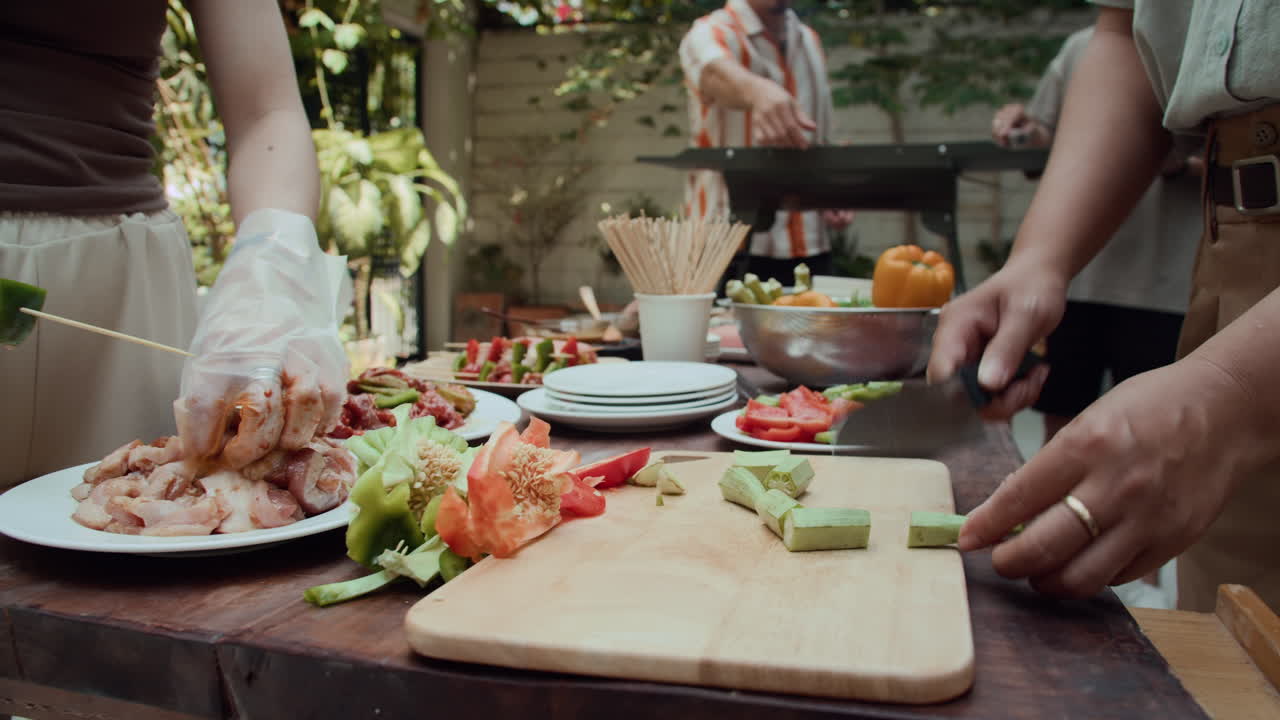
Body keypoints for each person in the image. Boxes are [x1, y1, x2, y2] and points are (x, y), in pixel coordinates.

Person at [929, 1, 1280, 613]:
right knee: (1237, 645)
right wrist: (1040, 257)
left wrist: (1235, 390)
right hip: (1232, 241)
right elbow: (1126, 35)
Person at [0, 1, 349, 491]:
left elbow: (267, 113)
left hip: (122, 289)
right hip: (118, 268)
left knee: (151, 533)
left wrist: (269, 275)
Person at [991, 26, 1203, 446]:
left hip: (1166, 283)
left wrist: (1179, 163)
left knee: (1153, 432)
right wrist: (1023, 131)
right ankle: (1056, 507)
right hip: (1078, 278)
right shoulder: (1088, 45)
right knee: (1062, 416)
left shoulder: (1198, 36)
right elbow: (1049, 136)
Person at [678, 0, 854, 288]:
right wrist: (757, 91)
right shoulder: (709, 32)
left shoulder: (809, 40)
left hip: (809, 247)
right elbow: (713, 72)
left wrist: (831, 189)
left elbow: (819, 136)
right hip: (727, 247)